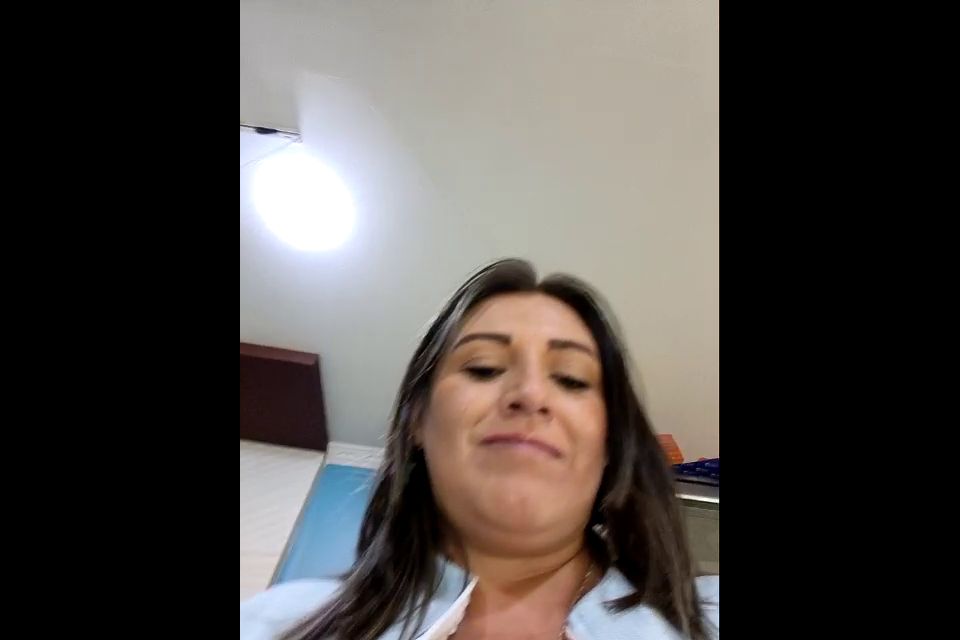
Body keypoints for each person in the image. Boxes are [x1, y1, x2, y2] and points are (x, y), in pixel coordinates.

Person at [241, 259, 719, 639]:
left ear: (611, 444)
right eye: (484, 368)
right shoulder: (272, 625)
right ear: (416, 421)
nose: (530, 394)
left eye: (571, 379)